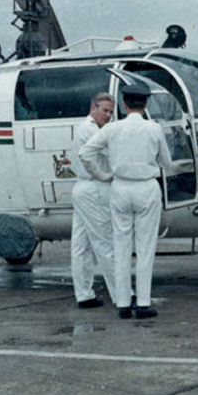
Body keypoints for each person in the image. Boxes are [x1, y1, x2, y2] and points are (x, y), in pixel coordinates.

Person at [79, 84, 172, 319]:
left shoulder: (112, 129)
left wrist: (102, 175)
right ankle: (143, 303)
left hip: (120, 187)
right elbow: (166, 162)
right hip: (147, 188)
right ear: (146, 105)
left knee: (121, 246)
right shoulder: (154, 128)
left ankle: (122, 303)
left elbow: (85, 154)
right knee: (145, 248)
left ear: (124, 104)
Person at [70, 93, 123, 309]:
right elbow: (101, 152)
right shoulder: (90, 129)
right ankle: (122, 295)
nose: (109, 116)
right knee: (104, 242)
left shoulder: (89, 128)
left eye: (111, 112)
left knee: (81, 244)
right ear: (94, 108)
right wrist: (104, 176)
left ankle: (84, 294)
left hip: (83, 188)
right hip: (94, 187)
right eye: (105, 111)